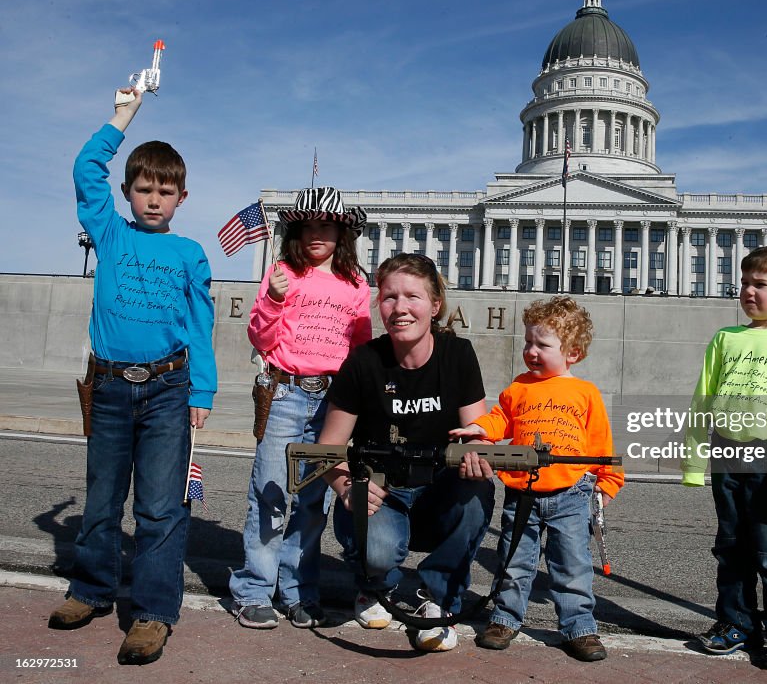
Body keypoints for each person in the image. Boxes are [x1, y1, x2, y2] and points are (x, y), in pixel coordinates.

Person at [48, 88, 216, 666]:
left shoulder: (191, 253)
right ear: (126, 192)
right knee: (102, 497)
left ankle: (151, 612)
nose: (152, 199)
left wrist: (203, 389)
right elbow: (84, 168)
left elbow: (200, 323)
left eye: (164, 191)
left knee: (162, 506)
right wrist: (124, 115)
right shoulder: (111, 233)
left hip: (169, 389)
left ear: (181, 197)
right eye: (143, 189)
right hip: (111, 386)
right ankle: (90, 590)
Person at [318, 253, 495, 652]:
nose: (400, 308)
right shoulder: (364, 361)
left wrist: (477, 452)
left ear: (435, 305)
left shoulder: (458, 355)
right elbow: (327, 448)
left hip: (438, 492)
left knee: (477, 495)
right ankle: (373, 586)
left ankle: (439, 598)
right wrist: (347, 486)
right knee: (379, 551)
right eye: (389, 297)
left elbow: (479, 433)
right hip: (380, 490)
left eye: (412, 297)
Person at [452, 296, 625, 663]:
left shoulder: (585, 393)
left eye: (542, 345)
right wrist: (477, 429)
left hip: (572, 493)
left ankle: (579, 626)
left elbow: (601, 443)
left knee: (572, 565)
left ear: (573, 353)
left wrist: (607, 481)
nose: (531, 351)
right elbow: (499, 419)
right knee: (515, 560)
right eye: (528, 342)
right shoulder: (519, 388)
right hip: (522, 493)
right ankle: (504, 618)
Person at [229, 187, 372, 630]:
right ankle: (254, 588)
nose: (317, 234)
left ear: (341, 233)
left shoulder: (356, 285)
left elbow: (361, 349)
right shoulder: (282, 273)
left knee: (313, 503)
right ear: (296, 230)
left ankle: (297, 592)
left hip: (333, 402)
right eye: (309, 225)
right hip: (286, 391)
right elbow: (261, 339)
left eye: (326, 225)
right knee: (270, 494)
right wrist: (272, 298)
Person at [682, 245, 767, 674]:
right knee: (730, 548)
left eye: (760, 284)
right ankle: (735, 622)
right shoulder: (726, 338)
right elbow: (702, 400)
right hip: (727, 454)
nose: (748, 291)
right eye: (744, 283)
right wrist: (693, 460)